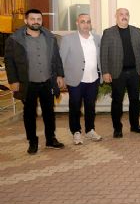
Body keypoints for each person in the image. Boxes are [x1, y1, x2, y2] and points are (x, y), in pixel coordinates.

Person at [5, 9, 65, 154]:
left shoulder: (50, 37)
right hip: (27, 83)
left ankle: (50, 139)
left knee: (49, 112)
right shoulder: (14, 40)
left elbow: (56, 58)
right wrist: (13, 80)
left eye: (38, 19)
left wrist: (60, 75)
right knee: (29, 114)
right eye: (32, 19)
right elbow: (9, 61)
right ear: (26, 21)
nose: (36, 22)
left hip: (47, 82)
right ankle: (32, 142)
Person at [100, 8, 140, 137]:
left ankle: (135, 125)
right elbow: (103, 54)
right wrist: (105, 72)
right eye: (121, 14)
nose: (124, 16)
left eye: (126, 14)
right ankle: (117, 128)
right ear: (116, 16)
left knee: (135, 100)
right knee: (117, 101)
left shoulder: (136, 31)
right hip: (118, 73)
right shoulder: (108, 32)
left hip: (134, 72)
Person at [60, 13, 102, 144]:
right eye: (82, 22)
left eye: (88, 22)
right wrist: (61, 77)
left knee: (90, 107)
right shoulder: (68, 39)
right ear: (77, 23)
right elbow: (61, 59)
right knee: (75, 107)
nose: (86, 24)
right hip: (75, 79)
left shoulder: (97, 38)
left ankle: (90, 130)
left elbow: (100, 58)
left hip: (93, 79)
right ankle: (76, 132)